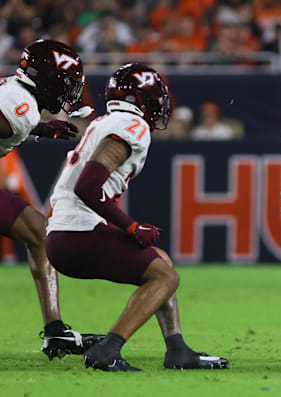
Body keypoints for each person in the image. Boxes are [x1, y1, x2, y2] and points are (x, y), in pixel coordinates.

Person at [45, 63, 229, 372]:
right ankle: (109, 350)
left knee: (162, 262)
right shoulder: (132, 125)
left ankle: (177, 349)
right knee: (166, 278)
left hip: (64, 233)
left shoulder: (107, 121)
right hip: (78, 232)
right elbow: (88, 186)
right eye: (156, 96)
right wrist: (130, 225)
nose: (160, 104)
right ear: (142, 98)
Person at [0, 39, 103, 359]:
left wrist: (40, 129)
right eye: (66, 82)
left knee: (39, 233)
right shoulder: (20, 103)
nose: (69, 91)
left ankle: (56, 331)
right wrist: (35, 126)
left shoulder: (18, 97)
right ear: (47, 79)